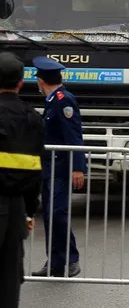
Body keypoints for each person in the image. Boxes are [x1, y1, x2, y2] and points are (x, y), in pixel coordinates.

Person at [30, 56, 86, 278]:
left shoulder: (63, 100)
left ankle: (70, 260)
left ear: (41, 81)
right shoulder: (53, 100)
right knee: (51, 216)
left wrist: (77, 167)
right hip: (50, 167)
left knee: (57, 213)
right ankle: (54, 262)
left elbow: (74, 136)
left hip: (61, 167)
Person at [0, 52, 44, 307]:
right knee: (8, 279)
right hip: (15, 208)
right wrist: (29, 212)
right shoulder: (32, 118)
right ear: (20, 82)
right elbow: (34, 171)